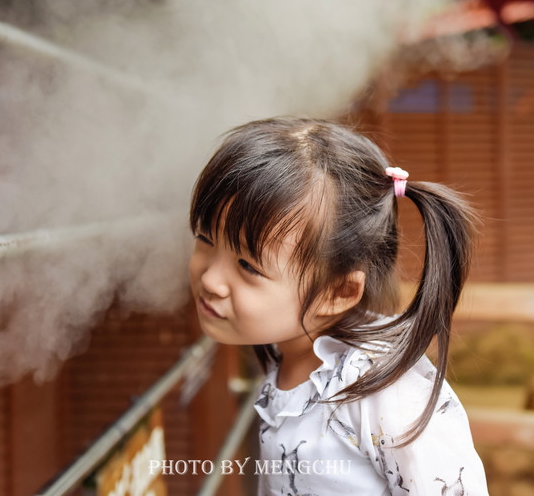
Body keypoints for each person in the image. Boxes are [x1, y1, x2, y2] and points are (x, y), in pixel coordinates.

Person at [189, 117, 488, 495]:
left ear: (338, 292)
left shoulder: (386, 394)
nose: (211, 280)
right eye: (204, 238)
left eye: (248, 266)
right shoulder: (286, 356)